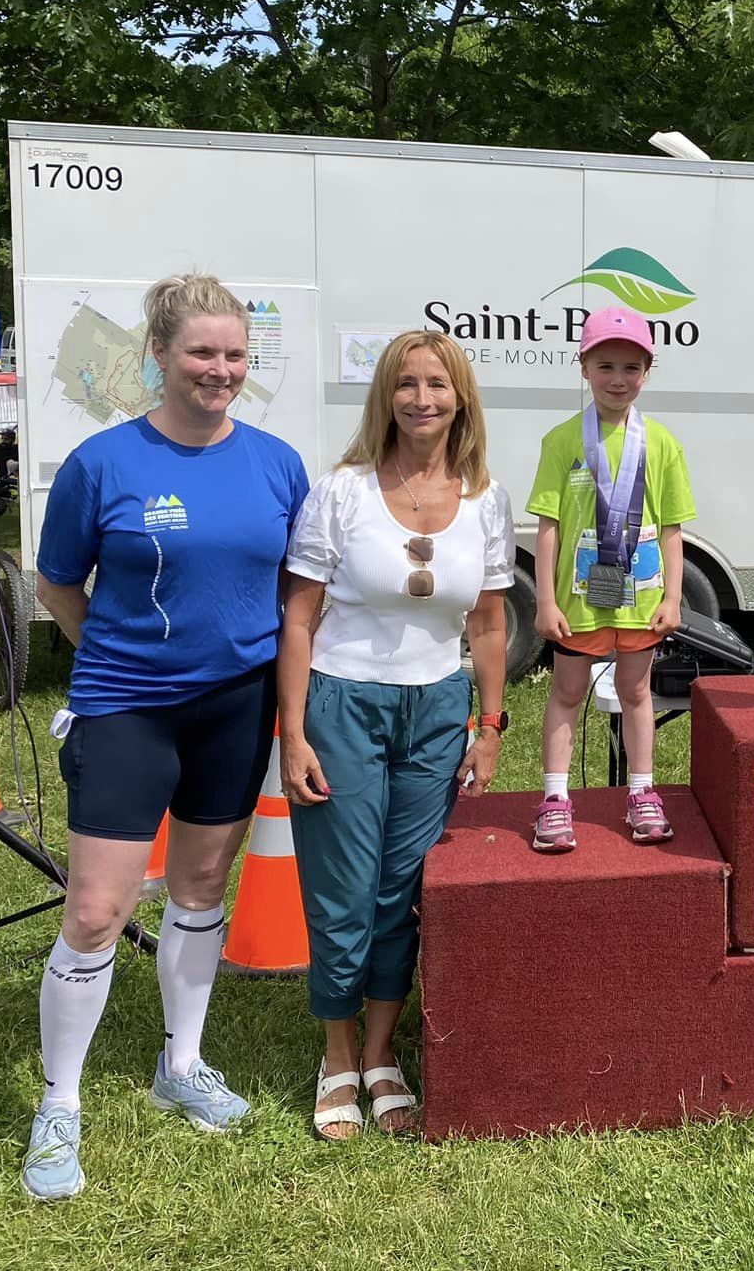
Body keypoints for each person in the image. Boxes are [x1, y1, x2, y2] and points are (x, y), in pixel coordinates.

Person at [23, 275, 309, 1201]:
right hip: (126, 707)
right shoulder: (103, 463)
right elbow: (57, 584)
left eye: (234, 355)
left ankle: (180, 1064)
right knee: (96, 910)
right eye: (200, 353)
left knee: (199, 889)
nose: (219, 370)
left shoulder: (277, 464)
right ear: (159, 353)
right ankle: (59, 1103)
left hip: (236, 706)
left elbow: (294, 591)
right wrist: (118, 659)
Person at [279, 330, 514, 1138]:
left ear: (461, 398)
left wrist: (489, 726)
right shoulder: (340, 491)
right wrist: (292, 733)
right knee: (342, 891)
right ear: (386, 396)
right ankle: (337, 1055)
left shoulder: (486, 498)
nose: (421, 399)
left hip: (438, 709)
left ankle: (382, 1052)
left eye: (437, 385)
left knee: (401, 894)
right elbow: (298, 618)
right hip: (343, 704)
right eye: (406, 384)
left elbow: (489, 625)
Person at [528, 306, 694, 852]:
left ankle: (642, 792)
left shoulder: (663, 443)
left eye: (630, 367)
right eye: (605, 366)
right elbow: (548, 527)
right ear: (584, 369)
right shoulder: (561, 440)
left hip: (641, 601)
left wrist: (673, 598)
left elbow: (672, 529)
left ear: (647, 372)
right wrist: (545, 601)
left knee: (637, 692)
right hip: (577, 602)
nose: (618, 379)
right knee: (567, 692)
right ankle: (555, 800)